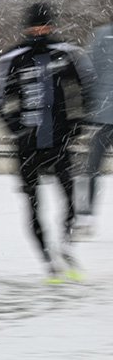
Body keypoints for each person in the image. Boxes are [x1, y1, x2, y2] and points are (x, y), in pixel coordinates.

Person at [0, 2, 94, 280]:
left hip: (59, 142)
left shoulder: (66, 53)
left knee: (71, 200)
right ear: (27, 26)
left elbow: (87, 90)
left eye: (45, 25)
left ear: (52, 25)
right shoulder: (13, 58)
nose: (40, 30)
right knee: (33, 205)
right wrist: (17, 129)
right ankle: (49, 262)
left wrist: (76, 124)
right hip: (27, 147)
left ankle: (65, 246)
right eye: (35, 26)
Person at [75, 20, 113, 237]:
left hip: (102, 114)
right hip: (103, 114)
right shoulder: (101, 36)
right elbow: (89, 73)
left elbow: (88, 73)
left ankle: (85, 216)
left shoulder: (101, 36)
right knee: (92, 167)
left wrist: (88, 106)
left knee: (92, 167)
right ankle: (85, 216)